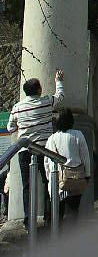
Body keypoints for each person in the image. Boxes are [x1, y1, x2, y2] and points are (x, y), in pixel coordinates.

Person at [7, 69, 65, 229]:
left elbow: (10, 127)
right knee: (48, 182)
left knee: (27, 186)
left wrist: (23, 127)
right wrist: (58, 81)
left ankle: (28, 221)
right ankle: (50, 217)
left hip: (25, 151)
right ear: (38, 90)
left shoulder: (17, 107)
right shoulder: (45, 102)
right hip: (44, 149)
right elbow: (60, 98)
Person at [44, 108, 90, 226]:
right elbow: (85, 157)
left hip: (57, 181)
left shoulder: (51, 139)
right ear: (71, 120)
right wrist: (87, 174)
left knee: (57, 213)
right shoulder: (78, 134)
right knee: (73, 210)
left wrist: (49, 178)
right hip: (76, 178)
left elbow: (47, 163)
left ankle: (58, 238)